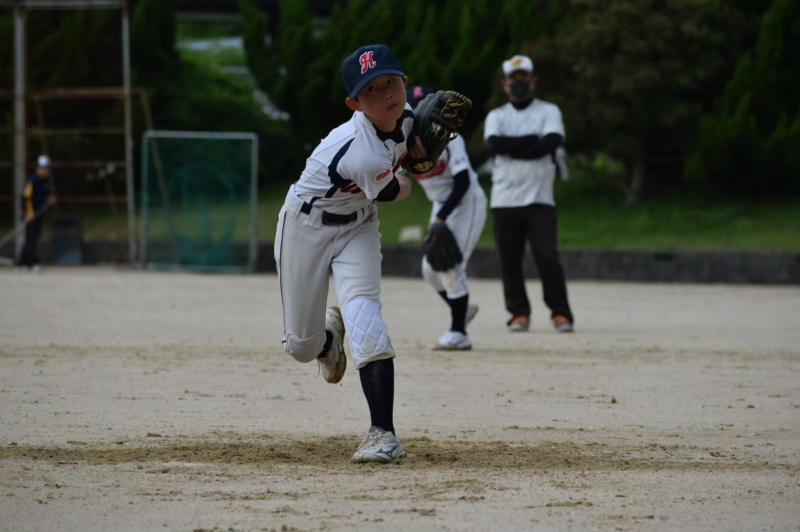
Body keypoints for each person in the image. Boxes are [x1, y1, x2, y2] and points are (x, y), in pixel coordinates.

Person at [275, 44, 427, 463]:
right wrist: (417, 166)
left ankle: (383, 434)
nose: (386, 93)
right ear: (354, 104)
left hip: (358, 224)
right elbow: (397, 189)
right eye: (371, 89)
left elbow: (416, 145)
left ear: (405, 82)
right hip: (305, 226)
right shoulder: (359, 148)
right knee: (300, 348)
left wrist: (425, 150)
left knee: (365, 317)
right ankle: (327, 338)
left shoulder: (410, 118)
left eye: (391, 81)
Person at [483, 55, 575, 333]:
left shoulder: (549, 111)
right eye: (514, 79)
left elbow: (552, 141)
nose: (519, 83)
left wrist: (515, 150)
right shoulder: (497, 116)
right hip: (504, 199)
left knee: (547, 255)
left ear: (533, 81)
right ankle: (518, 313)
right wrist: (533, 139)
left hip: (540, 199)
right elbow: (494, 144)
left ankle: (560, 312)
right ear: (504, 84)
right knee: (509, 260)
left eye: (524, 78)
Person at [405, 85, 487, 350]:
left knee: (450, 264)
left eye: (424, 104)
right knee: (430, 270)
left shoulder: (451, 139)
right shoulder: (404, 144)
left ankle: (458, 333)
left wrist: (440, 218)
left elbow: (462, 183)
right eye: (416, 106)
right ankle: (461, 309)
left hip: (467, 202)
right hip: (441, 205)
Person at [18, 155, 54, 272]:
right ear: (38, 168)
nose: (46, 171)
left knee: (34, 239)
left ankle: (22, 261)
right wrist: (26, 213)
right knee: (31, 239)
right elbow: (25, 198)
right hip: (30, 215)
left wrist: (49, 200)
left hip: (39, 214)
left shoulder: (45, 181)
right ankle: (30, 262)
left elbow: (46, 195)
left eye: (47, 168)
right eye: (44, 168)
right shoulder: (32, 181)